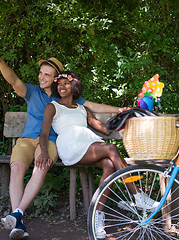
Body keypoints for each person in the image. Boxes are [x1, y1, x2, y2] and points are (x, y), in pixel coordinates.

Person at [0, 46, 129, 240]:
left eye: (47, 74)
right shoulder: (31, 91)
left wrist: (119, 110)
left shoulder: (63, 95)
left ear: (55, 78)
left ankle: (16, 216)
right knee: (17, 169)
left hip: (51, 142)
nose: (41, 77)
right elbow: (13, 80)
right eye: (40, 73)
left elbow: (93, 107)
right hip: (27, 140)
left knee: (41, 166)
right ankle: (17, 221)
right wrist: (0, 62)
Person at [39, 71, 159, 239]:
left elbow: (105, 130)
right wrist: (44, 153)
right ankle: (138, 196)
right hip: (70, 145)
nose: (62, 86)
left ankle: (97, 215)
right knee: (110, 149)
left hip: (87, 144)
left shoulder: (83, 109)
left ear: (74, 86)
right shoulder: (52, 107)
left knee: (109, 165)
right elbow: (44, 134)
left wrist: (125, 115)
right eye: (59, 84)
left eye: (66, 83)